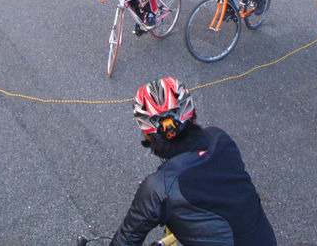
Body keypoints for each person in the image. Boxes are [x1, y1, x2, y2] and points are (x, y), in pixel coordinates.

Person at [110, 77, 277, 246]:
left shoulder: (159, 188)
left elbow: (125, 241)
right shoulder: (219, 138)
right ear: (192, 115)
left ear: (147, 133)